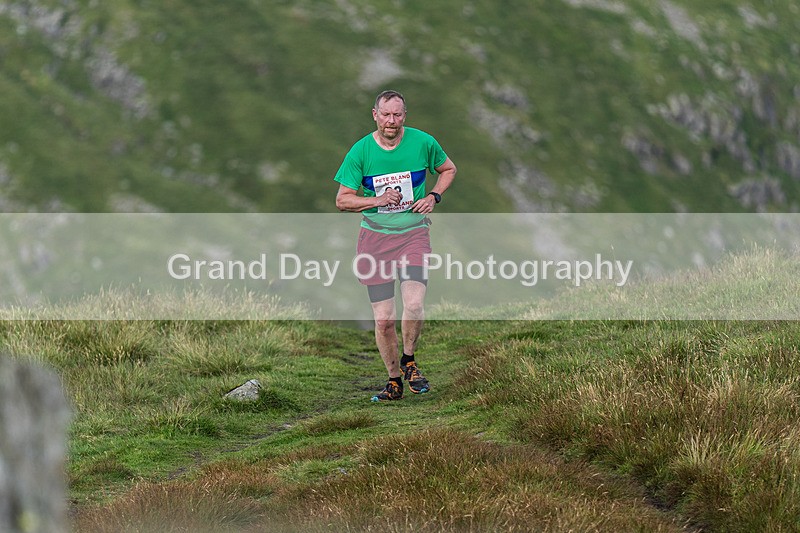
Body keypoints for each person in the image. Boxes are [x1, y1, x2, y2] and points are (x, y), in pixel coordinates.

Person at [334, 90, 457, 402]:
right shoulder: (360, 152)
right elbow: (342, 200)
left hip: (413, 234)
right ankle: (393, 382)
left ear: (405, 115)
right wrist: (377, 200)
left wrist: (433, 196)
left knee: (414, 304)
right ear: (374, 114)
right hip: (374, 240)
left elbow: (448, 169)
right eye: (386, 115)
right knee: (384, 320)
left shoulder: (423, 142)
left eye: (397, 115)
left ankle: (410, 361)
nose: (392, 121)